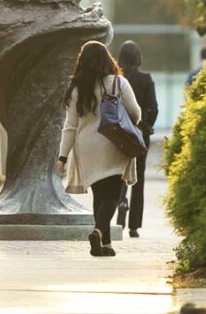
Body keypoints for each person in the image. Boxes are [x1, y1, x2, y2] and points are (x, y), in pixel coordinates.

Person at [56, 41, 141, 257]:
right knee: (112, 195)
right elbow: (136, 114)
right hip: (112, 143)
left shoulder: (77, 89)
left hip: (86, 147)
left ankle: (105, 244)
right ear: (107, 59)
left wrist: (62, 157)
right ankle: (97, 232)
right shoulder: (118, 84)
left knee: (99, 195)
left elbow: (70, 126)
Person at [114, 41, 159, 238]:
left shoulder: (117, 80)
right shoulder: (146, 79)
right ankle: (133, 226)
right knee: (138, 177)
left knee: (120, 172)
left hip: (120, 132)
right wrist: (147, 124)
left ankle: (121, 201)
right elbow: (154, 107)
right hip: (141, 133)